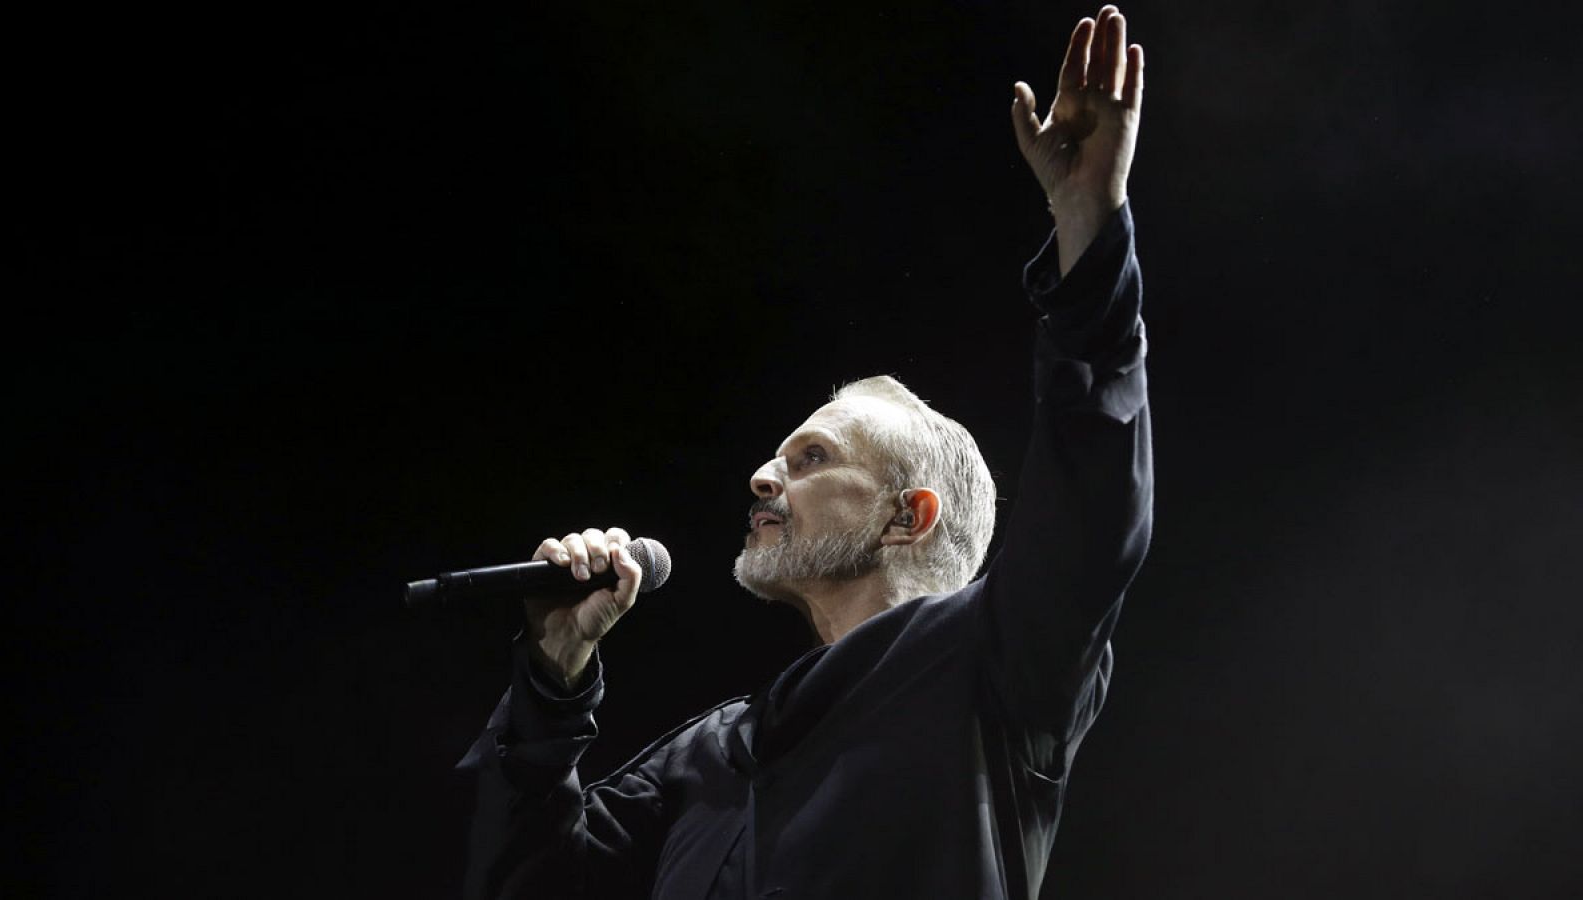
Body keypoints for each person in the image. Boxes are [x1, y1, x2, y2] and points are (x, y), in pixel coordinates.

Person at [458, 6, 1152, 898]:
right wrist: (553, 680)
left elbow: (1095, 497)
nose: (762, 475)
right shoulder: (713, 753)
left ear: (909, 515)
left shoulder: (991, 663)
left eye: (813, 458)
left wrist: (1089, 228)